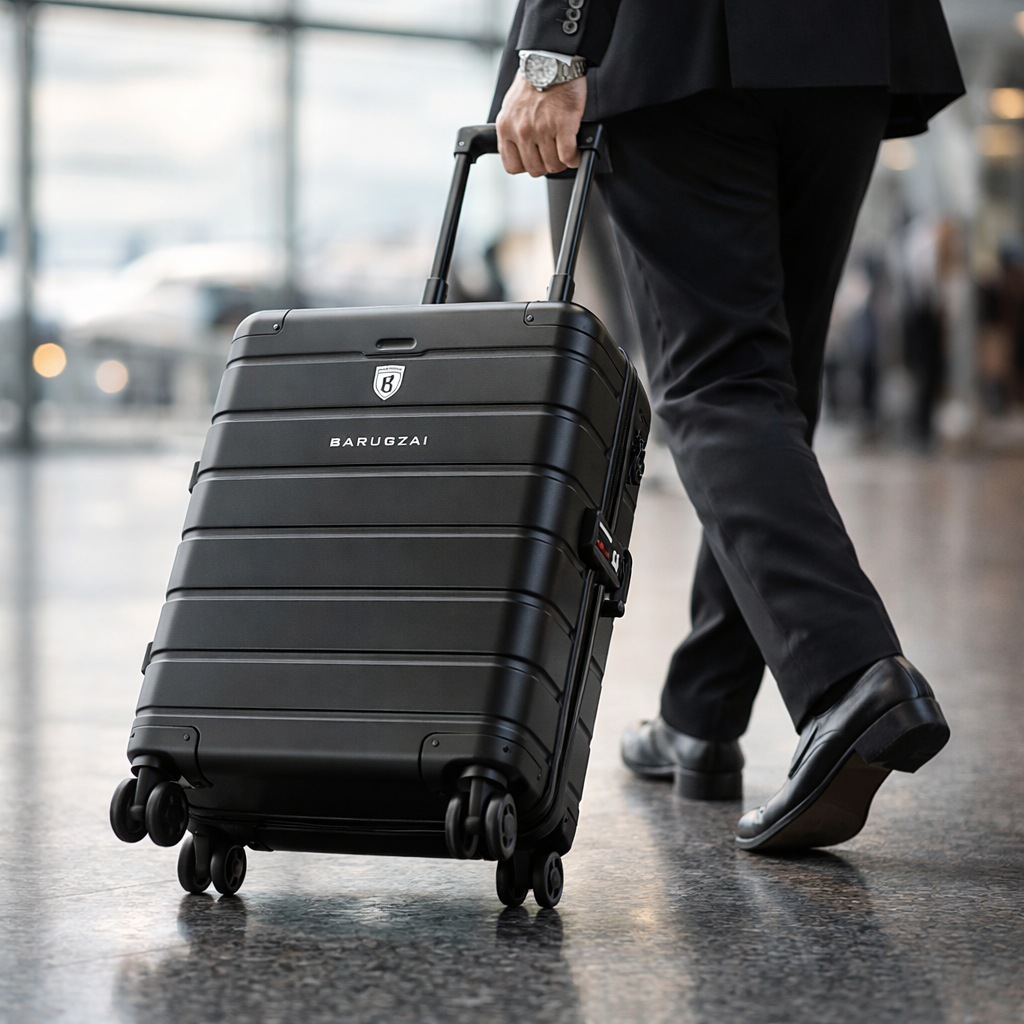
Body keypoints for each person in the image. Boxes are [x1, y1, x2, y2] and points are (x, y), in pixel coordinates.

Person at [489, 0, 964, 851]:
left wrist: (554, 49)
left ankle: (849, 678)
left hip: (677, 44)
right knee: (771, 394)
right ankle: (700, 713)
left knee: (717, 383)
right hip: (848, 41)